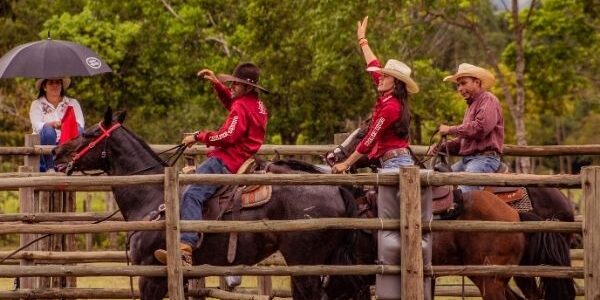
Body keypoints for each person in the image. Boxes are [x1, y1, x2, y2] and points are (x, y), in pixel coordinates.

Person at [332, 16, 432, 300]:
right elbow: (373, 66)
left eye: (386, 76)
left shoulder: (390, 109)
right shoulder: (387, 94)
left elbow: (369, 140)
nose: (380, 77)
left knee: (390, 218)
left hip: (396, 164)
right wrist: (362, 40)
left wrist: (345, 164)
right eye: (383, 75)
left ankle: (393, 265)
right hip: (391, 160)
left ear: (395, 83)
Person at [154, 62, 269, 266]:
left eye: (236, 84)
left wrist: (198, 136)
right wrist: (218, 85)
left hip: (227, 160)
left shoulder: (242, 106)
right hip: (242, 158)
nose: (232, 87)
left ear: (248, 87)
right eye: (232, 83)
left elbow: (228, 135)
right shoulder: (256, 105)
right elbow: (234, 108)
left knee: (192, 193)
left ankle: (185, 248)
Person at [433, 63, 504, 192]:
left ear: (477, 82)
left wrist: (450, 129)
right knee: (438, 185)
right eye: (458, 85)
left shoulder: (488, 99)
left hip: (484, 159)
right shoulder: (471, 106)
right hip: (468, 160)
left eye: (464, 83)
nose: (460, 88)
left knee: (461, 195)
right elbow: (464, 140)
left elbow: (480, 128)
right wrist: (442, 147)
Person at [29, 77, 84, 172]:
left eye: (58, 82)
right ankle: (50, 167)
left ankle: (67, 164)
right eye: (51, 83)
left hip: (67, 142)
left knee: (78, 129)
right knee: (48, 129)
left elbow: (80, 124)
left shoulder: (72, 103)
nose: (55, 85)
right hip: (45, 142)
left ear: (61, 86)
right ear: (44, 87)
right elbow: (36, 125)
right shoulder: (37, 104)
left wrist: (66, 126)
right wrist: (53, 124)